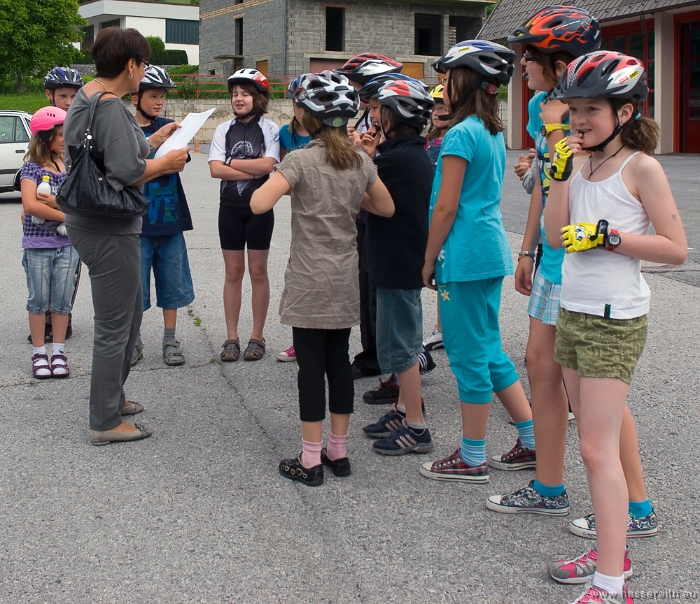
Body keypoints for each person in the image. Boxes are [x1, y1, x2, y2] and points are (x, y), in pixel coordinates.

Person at [488, 11, 660, 589]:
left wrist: (581, 233)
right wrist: (530, 246)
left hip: (591, 282)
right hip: (563, 268)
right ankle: (562, 490)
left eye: (530, 58)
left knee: (592, 405)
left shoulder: (590, 132)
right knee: (554, 379)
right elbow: (555, 199)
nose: (522, 68)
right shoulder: (550, 120)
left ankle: (627, 511)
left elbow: (664, 238)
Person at [542, 51, 687, 604]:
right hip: (574, 311)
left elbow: (676, 249)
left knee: (599, 451)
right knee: (591, 446)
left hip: (613, 319)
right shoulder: (580, 164)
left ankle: (612, 582)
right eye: (574, 108)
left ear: (624, 112)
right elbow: (556, 238)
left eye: (592, 109)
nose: (579, 120)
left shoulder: (639, 167)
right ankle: (612, 551)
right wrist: (557, 178)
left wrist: (610, 237)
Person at [250, 71, 394, 486]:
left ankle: (310, 460)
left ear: (308, 118)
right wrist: (349, 194)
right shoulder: (360, 161)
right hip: (345, 274)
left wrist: (286, 182)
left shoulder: (298, 160)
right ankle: (339, 450)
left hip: (310, 277)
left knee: (310, 367)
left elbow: (260, 203)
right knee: (339, 362)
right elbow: (384, 208)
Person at [63, 27, 189, 445]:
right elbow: (128, 172)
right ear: (131, 65)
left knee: (131, 312)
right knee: (115, 325)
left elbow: (107, 154)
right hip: (108, 226)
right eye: (145, 64)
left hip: (91, 220)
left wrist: (152, 140)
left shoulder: (89, 96)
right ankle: (104, 421)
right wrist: (166, 162)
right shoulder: (113, 107)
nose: (146, 72)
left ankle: (113, 399)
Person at [418, 41, 536, 484]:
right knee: (488, 348)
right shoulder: (489, 131)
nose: (442, 86)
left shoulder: (460, 134)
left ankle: (472, 456)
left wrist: (428, 260)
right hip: (487, 253)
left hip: (463, 255)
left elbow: (445, 207)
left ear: (462, 82)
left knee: (467, 357)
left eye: (447, 78)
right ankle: (531, 439)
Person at [354, 78, 436, 455]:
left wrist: (363, 164)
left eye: (379, 111)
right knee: (400, 338)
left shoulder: (397, 160)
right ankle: (403, 407)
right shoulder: (408, 153)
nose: (374, 118)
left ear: (394, 116)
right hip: (398, 260)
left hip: (397, 263)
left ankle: (416, 426)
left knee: (403, 345)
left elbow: (366, 198)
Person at [334, 53, 403, 379]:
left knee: (381, 293)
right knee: (366, 287)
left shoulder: (395, 123)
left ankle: (393, 360)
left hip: (383, 216)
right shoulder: (367, 119)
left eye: (360, 87)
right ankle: (373, 353)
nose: (357, 94)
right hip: (365, 217)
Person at [209, 68, 280, 363]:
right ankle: (231, 337)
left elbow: (268, 166)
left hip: (260, 209)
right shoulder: (223, 129)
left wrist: (232, 161)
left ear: (258, 98)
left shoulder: (270, 128)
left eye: (245, 94)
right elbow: (215, 170)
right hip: (230, 209)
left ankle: (257, 335)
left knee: (258, 271)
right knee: (233, 272)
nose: (238, 99)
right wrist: (251, 165)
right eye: (235, 94)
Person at [129, 65, 195, 367]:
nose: (159, 102)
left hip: (169, 217)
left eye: (162, 97)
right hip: (135, 224)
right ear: (134, 98)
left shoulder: (172, 126)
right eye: (153, 96)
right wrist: (159, 161)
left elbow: (179, 164)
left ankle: (170, 338)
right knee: (135, 289)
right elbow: (127, 169)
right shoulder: (126, 131)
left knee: (173, 284)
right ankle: (134, 341)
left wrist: (159, 163)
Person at [20, 107, 80, 379]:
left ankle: (58, 352)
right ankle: (38, 353)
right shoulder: (30, 168)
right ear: (45, 139)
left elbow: (80, 201)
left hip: (68, 245)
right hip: (38, 245)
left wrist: (65, 210)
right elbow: (31, 205)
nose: (65, 140)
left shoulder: (70, 167)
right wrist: (67, 215)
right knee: (38, 300)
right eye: (60, 135)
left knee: (61, 300)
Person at [275, 75, 312, 364]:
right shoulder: (286, 134)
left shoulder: (324, 135)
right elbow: (282, 174)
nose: (300, 108)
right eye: (297, 103)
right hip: (300, 210)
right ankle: (300, 342)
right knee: (300, 278)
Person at [422, 83, 451, 353]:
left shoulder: (453, 140)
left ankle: (444, 328)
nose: (436, 112)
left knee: (444, 274)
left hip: (445, 211)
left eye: (442, 107)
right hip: (429, 210)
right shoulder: (428, 140)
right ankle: (441, 327)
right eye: (434, 107)